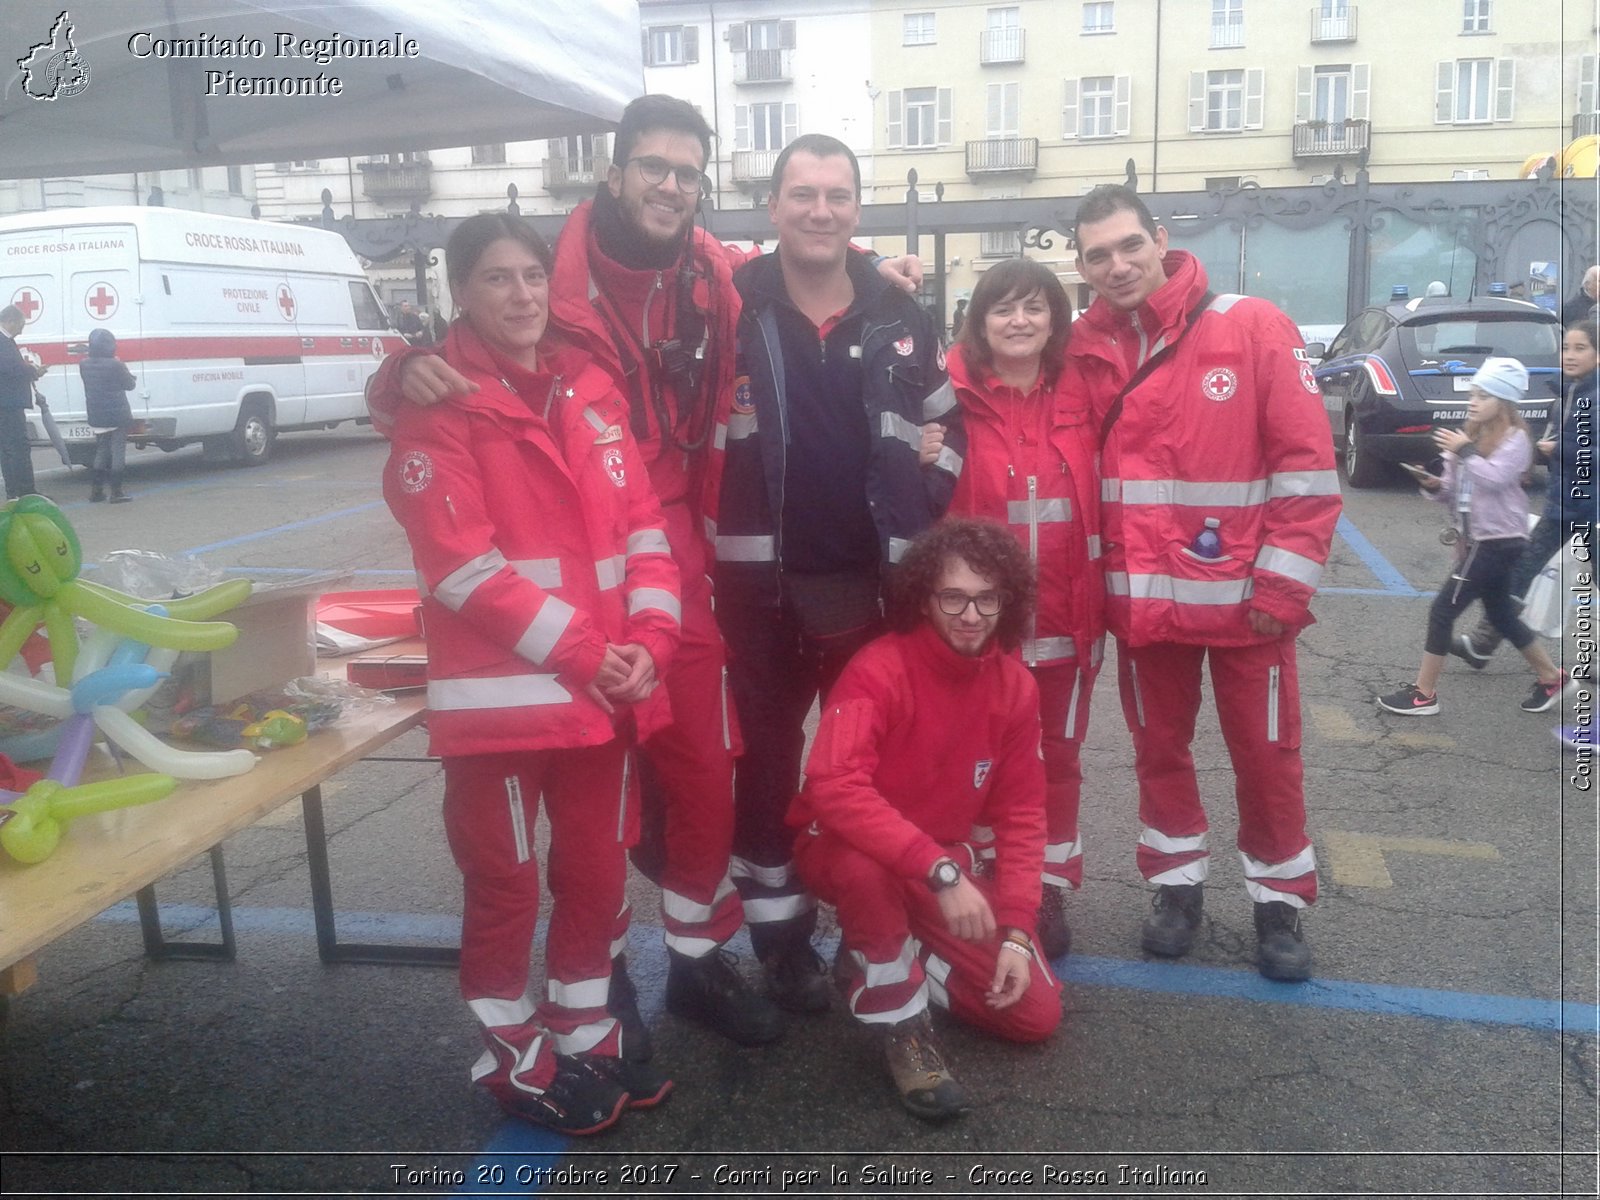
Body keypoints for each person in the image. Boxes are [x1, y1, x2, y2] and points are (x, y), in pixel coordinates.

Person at [381, 213, 680, 1135]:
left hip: (603, 699)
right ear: (460, 293)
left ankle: (586, 1032)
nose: (519, 297)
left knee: (595, 876)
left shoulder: (591, 390)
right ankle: (511, 1057)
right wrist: (601, 657)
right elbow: (463, 569)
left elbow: (644, 529)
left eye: (530, 276)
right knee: (506, 888)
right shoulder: (436, 405)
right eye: (496, 279)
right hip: (506, 713)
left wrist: (653, 643)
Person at [706, 134, 965, 1011]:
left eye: (838, 195)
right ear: (772, 206)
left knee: (872, 776)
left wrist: (927, 483)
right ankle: (780, 940)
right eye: (803, 193)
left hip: (872, 591)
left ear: (858, 208)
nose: (821, 209)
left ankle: (876, 936)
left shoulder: (899, 312)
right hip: (758, 594)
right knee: (770, 770)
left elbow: (947, 419)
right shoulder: (729, 305)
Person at [1065, 184, 1341, 983]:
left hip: (1249, 609)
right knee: (1160, 753)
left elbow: (1307, 467)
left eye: (1128, 246)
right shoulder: (1083, 346)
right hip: (1145, 609)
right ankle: (1176, 889)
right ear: (1081, 266)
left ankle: (1277, 903)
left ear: (1160, 238)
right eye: (1097, 255)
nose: (1116, 266)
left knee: (1267, 757)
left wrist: (1283, 591)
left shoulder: (1250, 325)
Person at [791, 518, 1061, 1120]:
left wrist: (1017, 929)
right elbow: (833, 787)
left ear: (1007, 601)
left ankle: (885, 948)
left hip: (934, 868)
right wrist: (941, 871)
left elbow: (1022, 815)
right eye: (953, 596)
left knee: (1034, 1017)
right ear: (924, 597)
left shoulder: (1015, 688)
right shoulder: (878, 670)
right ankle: (903, 1029)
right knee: (864, 870)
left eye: (987, 597)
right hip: (851, 851)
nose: (971, 614)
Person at [944, 258, 1103, 961]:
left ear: (1054, 320)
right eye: (1003, 308)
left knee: (1058, 761)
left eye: (1034, 308)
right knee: (979, 762)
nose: (1019, 321)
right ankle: (984, 877)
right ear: (979, 321)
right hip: (981, 628)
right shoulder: (946, 400)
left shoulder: (1084, 395)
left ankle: (1045, 885)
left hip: (1068, 622)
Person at [1377, 357, 1568, 717]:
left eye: (1484, 395)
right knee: (1502, 616)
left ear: (1504, 401)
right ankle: (1551, 677)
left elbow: (1494, 479)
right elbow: (1452, 489)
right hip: (1477, 540)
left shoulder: (1516, 439)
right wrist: (1433, 484)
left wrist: (1464, 450)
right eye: (1473, 394)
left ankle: (1424, 694)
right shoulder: (1469, 437)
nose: (1474, 401)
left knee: (1441, 611)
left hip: (1498, 541)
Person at [1454, 320, 1599, 672]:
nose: (1570, 355)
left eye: (1580, 348)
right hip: (1563, 503)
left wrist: (1558, 449)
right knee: (1521, 570)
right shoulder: (1569, 393)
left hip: (1592, 508)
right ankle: (1483, 643)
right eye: (1566, 348)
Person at [78, 328, 136, 503]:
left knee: (102, 450)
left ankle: (96, 491)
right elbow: (130, 385)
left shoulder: (83, 364)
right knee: (117, 451)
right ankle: (116, 492)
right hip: (117, 414)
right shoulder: (115, 364)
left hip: (96, 413)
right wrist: (123, 366)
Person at [0, 305, 42, 501]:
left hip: (7, 403)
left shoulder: (6, 342)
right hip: (8, 403)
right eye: (21, 325)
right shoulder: (3, 342)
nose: (22, 330)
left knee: (9, 448)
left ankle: (16, 492)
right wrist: (33, 371)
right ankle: (24, 491)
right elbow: (10, 369)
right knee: (16, 447)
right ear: (10, 321)